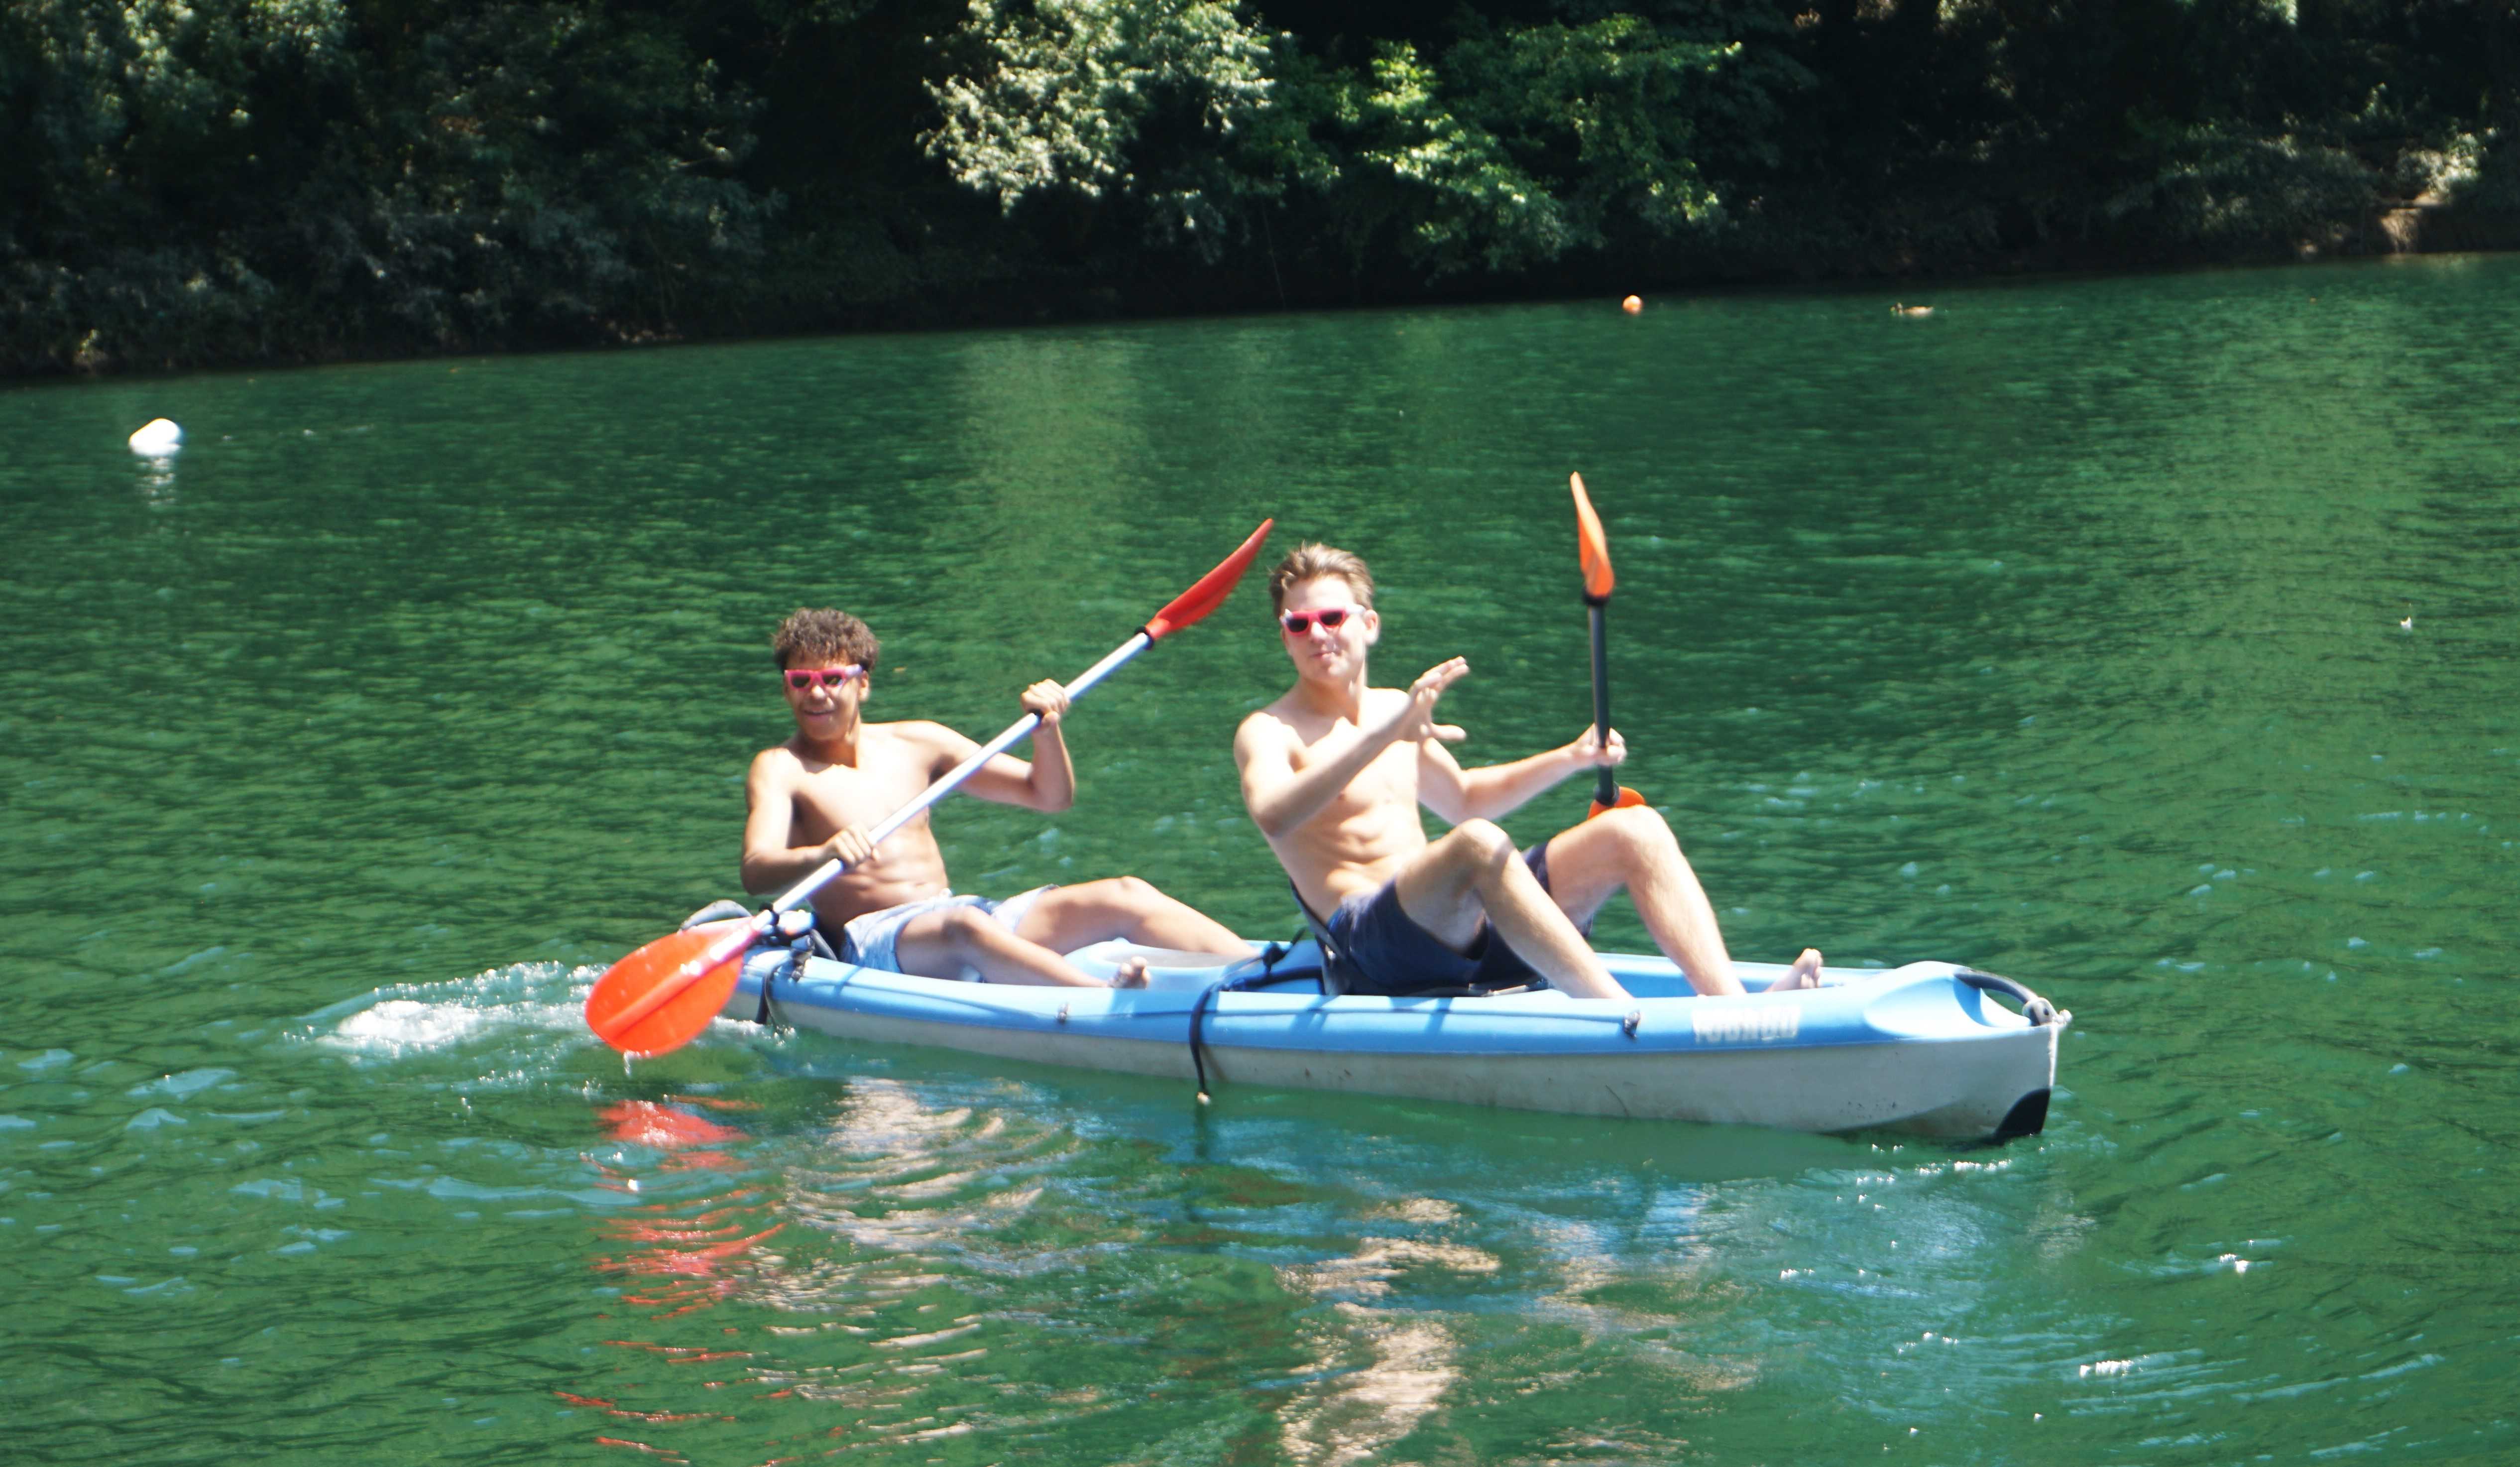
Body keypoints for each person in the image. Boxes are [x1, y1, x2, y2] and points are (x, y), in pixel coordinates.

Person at [1233, 545, 1824, 1000]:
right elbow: (1274, 816)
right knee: (1476, 846)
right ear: (1284, 638)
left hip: (1466, 931)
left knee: (1633, 828)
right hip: (1374, 951)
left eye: (1330, 617)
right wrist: (1386, 734)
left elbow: (1464, 799)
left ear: (1369, 624)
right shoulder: (1269, 730)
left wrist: (1569, 757)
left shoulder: (1396, 708)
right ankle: (1617, 1014)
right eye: (1298, 624)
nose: (1317, 634)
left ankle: (1734, 1010)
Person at [743, 608, 1252, 988]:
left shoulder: (920, 743)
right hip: (874, 942)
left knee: (1125, 893)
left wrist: (1047, 731)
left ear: (864, 684)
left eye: (832, 679)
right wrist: (823, 854)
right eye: (800, 680)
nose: (816, 694)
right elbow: (757, 868)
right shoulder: (781, 767)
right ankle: (1104, 1001)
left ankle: (1267, 973)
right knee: (965, 926)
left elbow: (1048, 796)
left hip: (956, 913)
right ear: (787, 689)